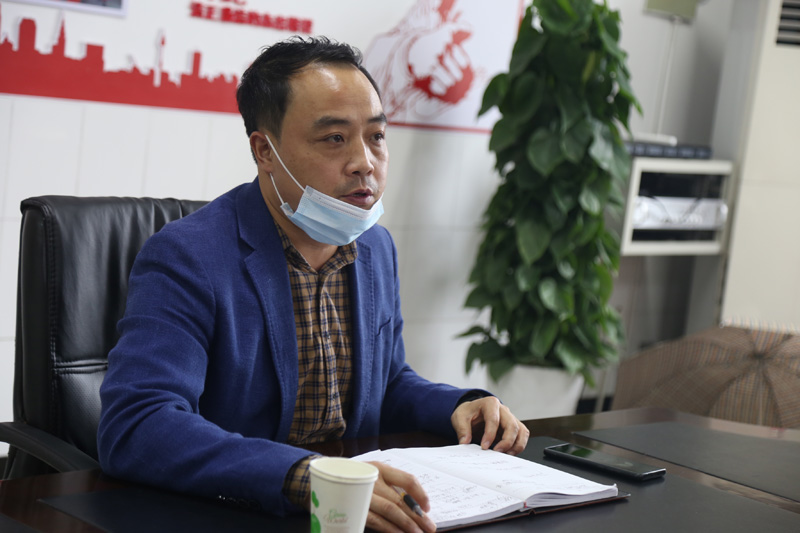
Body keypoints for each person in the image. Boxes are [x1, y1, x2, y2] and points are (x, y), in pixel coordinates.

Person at [97, 36, 529, 532]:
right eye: (334, 138)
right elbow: (138, 424)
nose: (365, 162)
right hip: (240, 507)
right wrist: (302, 475)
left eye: (376, 136)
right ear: (265, 151)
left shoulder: (374, 247)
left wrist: (458, 405)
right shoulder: (188, 256)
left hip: (346, 513)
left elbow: (386, 384)